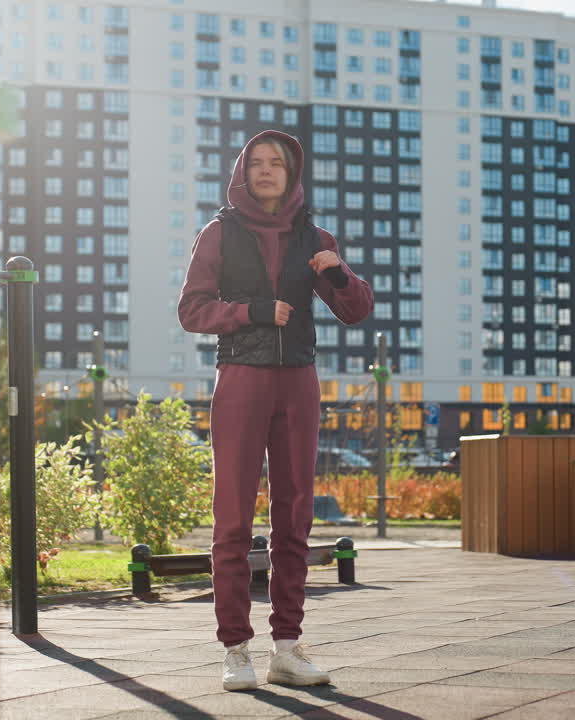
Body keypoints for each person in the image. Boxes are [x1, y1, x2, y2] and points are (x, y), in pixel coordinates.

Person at [178, 130, 373, 692]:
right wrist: (253, 311)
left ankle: (287, 648)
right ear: (243, 172)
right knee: (232, 521)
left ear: (291, 175)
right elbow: (191, 310)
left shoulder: (315, 237)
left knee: (295, 520)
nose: (266, 171)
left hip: (299, 385)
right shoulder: (217, 234)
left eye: (276, 164)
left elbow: (356, 310)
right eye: (256, 163)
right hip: (240, 378)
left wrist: (336, 272)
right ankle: (235, 650)